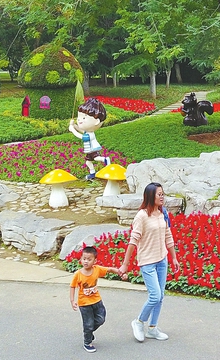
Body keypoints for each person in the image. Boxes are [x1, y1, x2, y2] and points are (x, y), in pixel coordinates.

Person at [119, 182, 180, 343]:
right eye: (159, 194)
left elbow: (168, 236)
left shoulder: (162, 213)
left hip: (162, 260)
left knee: (160, 297)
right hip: (147, 262)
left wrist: (173, 257)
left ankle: (152, 328)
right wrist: (125, 264)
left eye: (163, 194)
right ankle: (139, 322)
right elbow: (133, 241)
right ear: (150, 196)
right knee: (155, 296)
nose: (162, 196)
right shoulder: (141, 216)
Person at [70, 246, 121, 353]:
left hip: (97, 301)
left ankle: (88, 332)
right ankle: (87, 342)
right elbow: (72, 286)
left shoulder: (97, 269)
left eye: (89, 259)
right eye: (84, 259)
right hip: (84, 304)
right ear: (81, 259)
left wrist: (119, 272)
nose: (86, 261)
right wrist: (72, 300)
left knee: (101, 319)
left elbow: (109, 269)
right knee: (88, 324)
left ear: (94, 261)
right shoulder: (78, 274)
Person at [68, 98, 108, 180]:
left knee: (96, 158)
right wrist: (74, 126)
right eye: (79, 117)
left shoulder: (90, 135)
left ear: (96, 121)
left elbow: (82, 137)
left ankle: (105, 159)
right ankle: (92, 173)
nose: (79, 120)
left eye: (84, 118)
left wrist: (72, 130)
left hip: (93, 149)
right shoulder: (88, 132)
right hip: (89, 150)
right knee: (88, 162)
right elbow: (82, 131)